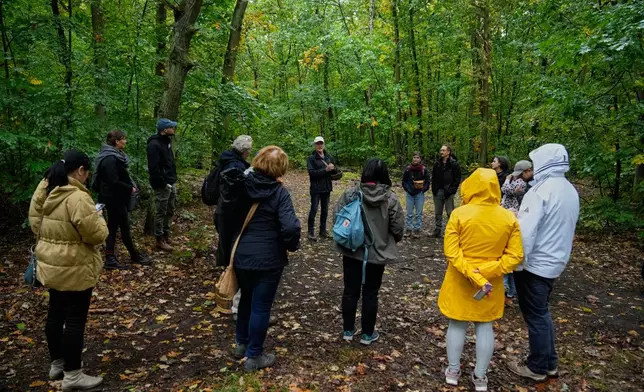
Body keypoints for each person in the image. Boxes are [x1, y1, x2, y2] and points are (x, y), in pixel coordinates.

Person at [28, 150, 109, 391]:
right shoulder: (77, 197)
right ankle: (73, 375)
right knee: (75, 319)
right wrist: (99, 217)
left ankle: (58, 364)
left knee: (55, 313)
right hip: (75, 266)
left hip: (50, 263)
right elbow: (96, 235)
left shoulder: (44, 189)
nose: (87, 178)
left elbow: (35, 224)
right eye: (87, 173)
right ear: (80, 170)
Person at [438, 168, 523, 392]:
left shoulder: (459, 214)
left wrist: (472, 272)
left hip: (460, 278)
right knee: (485, 326)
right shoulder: (508, 217)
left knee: (457, 323)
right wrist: (487, 269)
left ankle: (453, 371)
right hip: (491, 283)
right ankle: (480, 377)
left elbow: (451, 252)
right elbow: (515, 256)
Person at [508, 144, 579, 381]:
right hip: (555, 260)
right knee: (542, 312)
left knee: (535, 315)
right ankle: (549, 362)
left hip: (535, 263)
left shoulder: (540, 191)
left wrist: (516, 262)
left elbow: (526, 234)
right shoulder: (568, 189)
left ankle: (537, 367)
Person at [232, 146, 301, 371]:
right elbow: (290, 227)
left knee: (245, 300)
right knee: (260, 306)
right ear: (280, 169)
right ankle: (255, 356)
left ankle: (241, 344)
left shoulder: (241, 186)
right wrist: (291, 245)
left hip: (242, 254)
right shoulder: (280, 193)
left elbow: (225, 216)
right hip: (269, 258)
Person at [335, 159, 405, 345]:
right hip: (377, 253)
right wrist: (386, 240)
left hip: (351, 250)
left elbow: (338, 218)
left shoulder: (350, 194)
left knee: (350, 290)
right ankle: (367, 334)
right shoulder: (390, 199)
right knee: (371, 292)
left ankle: (348, 331)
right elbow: (398, 228)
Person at [93, 130, 151, 270]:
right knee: (122, 227)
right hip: (113, 198)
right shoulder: (110, 158)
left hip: (115, 197)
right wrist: (129, 188)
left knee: (113, 227)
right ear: (117, 141)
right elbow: (113, 181)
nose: (125, 141)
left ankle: (112, 257)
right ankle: (131, 256)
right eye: (123, 139)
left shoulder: (115, 156)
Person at [214, 135, 253, 267]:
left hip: (224, 206)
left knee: (225, 238)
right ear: (244, 150)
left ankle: (227, 266)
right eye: (249, 150)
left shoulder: (227, 158)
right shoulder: (235, 165)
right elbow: (237, 187)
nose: (249, 153)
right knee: (230, 239)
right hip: (231, 208)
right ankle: (229, 269)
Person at [500, 160, 532, 305]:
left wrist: (507, 180)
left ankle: (509, 292)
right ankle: (509, 292)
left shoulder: (522, 184)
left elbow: (506, 190)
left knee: (509, 261)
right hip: (507, 214)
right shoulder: (520, 182)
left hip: (513, 216)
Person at [147, 118, 178, 252]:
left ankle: (166, 233)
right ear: (165, 129)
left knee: (170, 209)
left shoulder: (167, 142)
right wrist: (162, 183)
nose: (173, 129)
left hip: (171, 181)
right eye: (171, 127)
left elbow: (169, 162)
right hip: (162, 184)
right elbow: (153, 167)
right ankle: (159, 239)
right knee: (161, 211)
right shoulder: (154, 145)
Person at [307, 136, 336, 241]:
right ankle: (310, 232)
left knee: (325, 210)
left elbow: (334, 172)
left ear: (323, 144)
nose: (319, 145)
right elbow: (312, 173)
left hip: (327, 188)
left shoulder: (329, 157)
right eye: (317, 144)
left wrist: (333, 169)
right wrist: (325, 170)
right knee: (314, 210)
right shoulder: (311, 158)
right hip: (316, 188)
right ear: (315, 145)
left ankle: (322, 231)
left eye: (321, 143)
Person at [431, 145, 461, 237]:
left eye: (443, 150)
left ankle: (450, 232)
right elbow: (434, 177)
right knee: (438, 212)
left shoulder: (454, 164)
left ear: (448, 152)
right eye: (441, 150)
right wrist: (434, 189)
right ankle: (437, 230)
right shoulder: (437, 163)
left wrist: (452, 190)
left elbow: (457, 179)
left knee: (450, 213)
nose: (441, 152)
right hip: (438, 191)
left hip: (448, 192)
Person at [402, 151, 431, 238]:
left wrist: (423, 189)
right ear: (412, 158)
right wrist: (407, 188)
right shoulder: (408, 169)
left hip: (419, 194)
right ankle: (408, 229)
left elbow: (428, 181)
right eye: (414, 157)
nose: (416, 159)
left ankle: (417, 230)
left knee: (418, 213)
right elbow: (404, 181)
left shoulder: (423, 169)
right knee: (409, 213)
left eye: (417, 157)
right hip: (410, 193)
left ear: (420, 159)